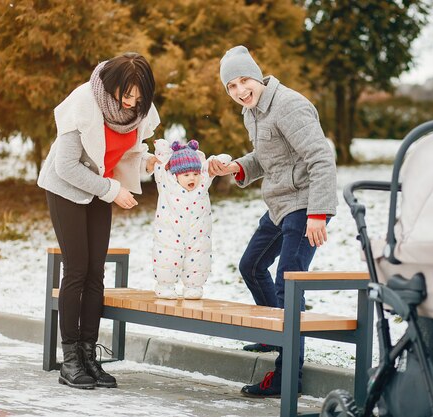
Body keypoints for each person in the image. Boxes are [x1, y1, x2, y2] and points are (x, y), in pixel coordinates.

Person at [209, 45, 338, 397]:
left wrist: (317, 214)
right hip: (281, 204)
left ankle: (286, 379)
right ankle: (273, 335)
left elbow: (321, 159)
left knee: (289, 286)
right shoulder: (252, 111)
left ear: (258, 74)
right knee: (251, 266)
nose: (239, 91)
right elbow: (265, 157)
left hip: (306, 204)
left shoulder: (289, 105)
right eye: (231, 87)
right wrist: (237, 166)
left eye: (244, 81)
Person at [37, 53, 160, 390]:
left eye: (140, 97)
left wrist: (149, 160)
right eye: (127, 95)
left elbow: (127, 150)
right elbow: (67, 166)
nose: (133, 103)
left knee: (95, 271)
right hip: (66, 189)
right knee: (76, 269)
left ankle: (90, 356)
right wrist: (111, 190)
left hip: (101, 189)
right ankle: (71, 360)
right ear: (112, 86)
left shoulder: (138, 110)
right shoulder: (83, 103)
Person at [150, 138, 231, 299]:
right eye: (186, 174)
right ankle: (165, 286)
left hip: (198, 236)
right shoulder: (167, 185)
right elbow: (160, 166)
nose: (192, 178)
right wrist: (162, 149)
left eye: (195, 173)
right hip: (170, 235)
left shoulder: (202, 184)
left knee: (198, 259)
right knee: (167, 259)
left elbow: (212, 165)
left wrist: (220, 160)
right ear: (176, 175)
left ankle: (193, 287)